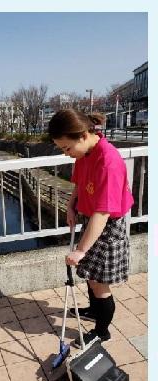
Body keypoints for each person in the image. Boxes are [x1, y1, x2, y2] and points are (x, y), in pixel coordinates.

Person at [48, 109, 134, 346]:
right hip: (91, 218)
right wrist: (71, 205)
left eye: (67, 148)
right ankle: (95, 311)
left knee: (99, 282)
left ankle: (102, 332)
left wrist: (80, 250)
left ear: (83, 136)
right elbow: (79, 183)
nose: (66, 154)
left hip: (108, 226)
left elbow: (103, 213)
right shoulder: (85, 154)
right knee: (89, 274)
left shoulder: (108, 162)